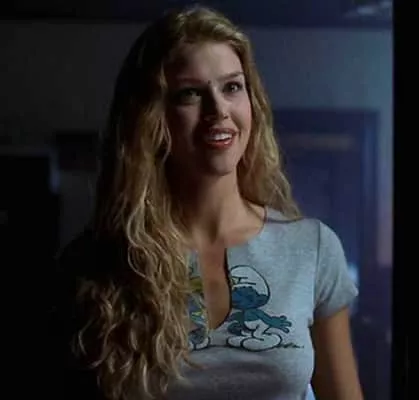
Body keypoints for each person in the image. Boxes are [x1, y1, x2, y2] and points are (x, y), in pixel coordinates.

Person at [48, 5, 364, 400]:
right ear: (151, 118)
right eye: (191, 94)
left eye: (232, 87)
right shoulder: (97, 261)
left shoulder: (312, 249)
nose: (218, 111)